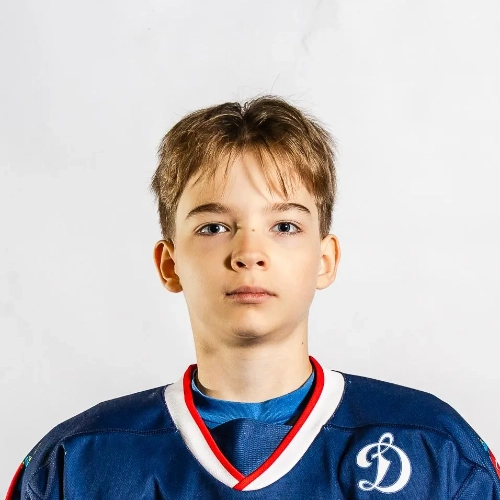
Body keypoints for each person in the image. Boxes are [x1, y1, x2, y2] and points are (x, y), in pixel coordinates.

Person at [6, 95, 500, 499]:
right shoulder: (76, 463)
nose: (248, 253)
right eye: (214, 227)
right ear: (169, 264)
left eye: (284, 226)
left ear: (324, 259)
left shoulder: (434, 449)